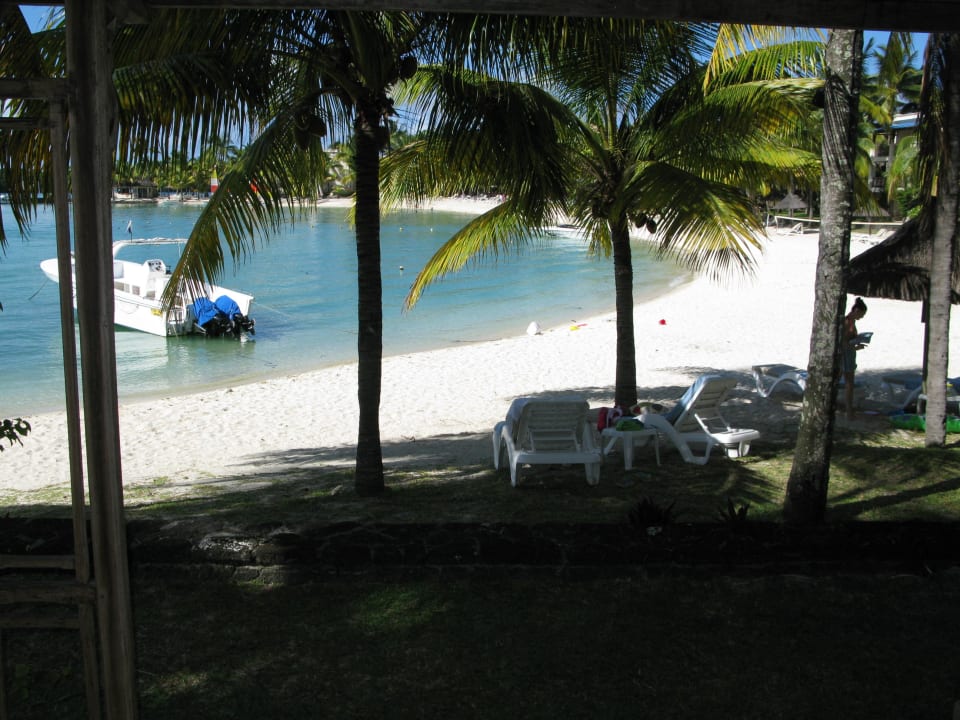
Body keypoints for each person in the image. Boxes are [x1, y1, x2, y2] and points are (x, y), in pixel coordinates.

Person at [841, 297, 868, 419]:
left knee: (849, 384)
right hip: (845, 355)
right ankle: (848, 411)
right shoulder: (847, 322)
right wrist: (855, 346)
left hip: (850, 354)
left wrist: (857, 346)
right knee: (848, 384)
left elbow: (849, 341)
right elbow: (843, 342)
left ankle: (849, 410)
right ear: (856, 311)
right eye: (862, 314)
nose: (862, 317)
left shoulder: (852, 322)